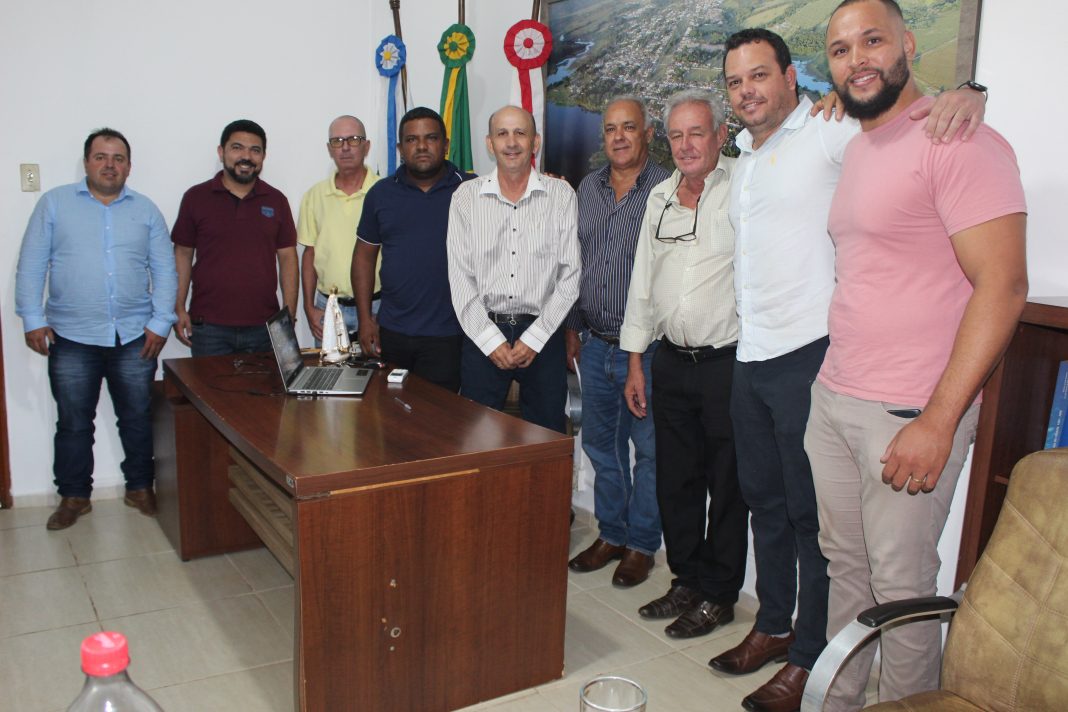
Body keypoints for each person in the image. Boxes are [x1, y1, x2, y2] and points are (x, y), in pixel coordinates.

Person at [708, 28, 988, 712]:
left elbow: (900, 121)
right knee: (766, 505)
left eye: (759, 76)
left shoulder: (830, 131)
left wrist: (968, 93)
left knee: (816, 524)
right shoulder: (742, 155)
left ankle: (810, 658)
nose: (747, 91)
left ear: (790, 77)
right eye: (735, 82)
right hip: (752, 354)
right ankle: (774, 624)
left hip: (811, 354)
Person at [806, 1, 1027, 708]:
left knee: (901, 593)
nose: (857, 59)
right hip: (835, 397)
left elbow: (1004, 285)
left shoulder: (958, 141)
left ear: (907, 43)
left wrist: (938, 419)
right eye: (841, 50)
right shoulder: (858, 145)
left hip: (907, 411)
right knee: (847, 573)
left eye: (872, 40)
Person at [619, 90, 747, 639]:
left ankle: (719, 594)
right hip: (669, 361)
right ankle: (687, 581)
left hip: (728, 364)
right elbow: (641, 284)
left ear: (721, 135)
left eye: (697, 132)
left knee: (728, 485)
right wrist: (635, 362)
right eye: (676, 135)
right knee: (676, 481)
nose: (687, 144)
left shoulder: (743, 185)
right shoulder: (660, 197)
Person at [15, 128, 177, 529]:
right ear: (86, 162)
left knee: (137, 416)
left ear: (129, 166)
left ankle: (140, 487)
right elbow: (32, 264)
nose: (110, 165)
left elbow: (165, 271)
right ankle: (74, 496)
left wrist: (161, 323)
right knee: (73, 422)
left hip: (135, 336)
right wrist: (32, 318)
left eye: (118, 158)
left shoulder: (146, 211)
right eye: (101, 157)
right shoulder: (55, 204)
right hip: (71, 336)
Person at [565, 96, 670, 587]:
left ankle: (641, 545)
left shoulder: (667, 189)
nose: (619, 137)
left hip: (646, 351)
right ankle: (611, 533)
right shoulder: (587, 189)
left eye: (629, 127)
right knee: (601, 447)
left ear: (648, 133)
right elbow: (575, 263)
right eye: (610, 129)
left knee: (649, 453)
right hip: (594, 343)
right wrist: (572, 328)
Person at [446, 106, 580, 432]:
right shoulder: (465, 198)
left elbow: (570, 275)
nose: (511, 142)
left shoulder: (561, 195)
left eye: (520, 133)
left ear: (535, 142)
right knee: (477, 441)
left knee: (545, 439)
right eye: (502, 134)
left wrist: (535, 338)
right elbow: (460, 278)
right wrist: (490, 341)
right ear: (489, 143)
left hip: (543, 334)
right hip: (482, 334)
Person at [353, 107, 474, 391]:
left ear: (445, 145)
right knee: (392, 412)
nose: (421, 146)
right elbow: (363, 259)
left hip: (451, 333)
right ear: (400, 149)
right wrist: (365, 319)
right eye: (411, 139)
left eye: (431, 138)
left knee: (440, 415)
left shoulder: (472, 189)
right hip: (393, 331)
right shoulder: (381, 194)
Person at [172, 119, 298, 356]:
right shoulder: (196, 198)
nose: (246, 156)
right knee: (208, 384)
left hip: (265, 327)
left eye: (255, 150)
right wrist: (178, 307)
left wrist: (289, 312)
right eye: (237, 148)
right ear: (221, 152)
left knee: (266, 383)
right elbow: (183, 254)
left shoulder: (276, 200)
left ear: (263, 156)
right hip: (209, 327)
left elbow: (288, 258)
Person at [298, 115, 379, 344]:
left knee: (377, 368)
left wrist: (389, 310)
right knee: (330, 369)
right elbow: (309, 254)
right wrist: (308, 307)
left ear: (367, 146)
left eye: (353, 139)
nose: (345, 147)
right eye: (337, 141)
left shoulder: (384, 193)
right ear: (329, 149)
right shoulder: (314, 196)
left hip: (377, 307)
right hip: (329, 308)